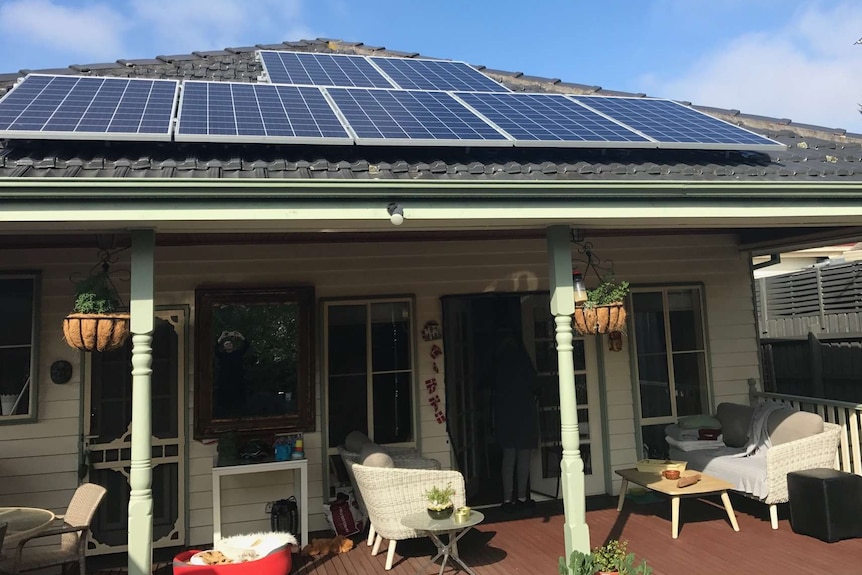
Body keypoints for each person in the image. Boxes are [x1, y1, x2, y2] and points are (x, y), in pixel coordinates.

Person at [492, 329, 539, 512]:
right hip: (525, 414)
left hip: (505, 415)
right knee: (523, 457)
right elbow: (535, 384)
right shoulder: (523, 360)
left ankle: (506, 500)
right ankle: (521, 497)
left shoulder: (499, 364)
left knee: (508, 457)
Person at [214, 330, 249, 417]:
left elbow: (247, 345)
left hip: (238, 381)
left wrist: (241, 336)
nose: (228, 345)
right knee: (226, 403)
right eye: (226, 344)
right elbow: (215, 349)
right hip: (225, 382)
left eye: (230, 343)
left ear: (232, 345)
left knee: (238, 403)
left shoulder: (238, 353)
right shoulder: (222, 356)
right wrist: (221, 337)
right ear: (224, 347)